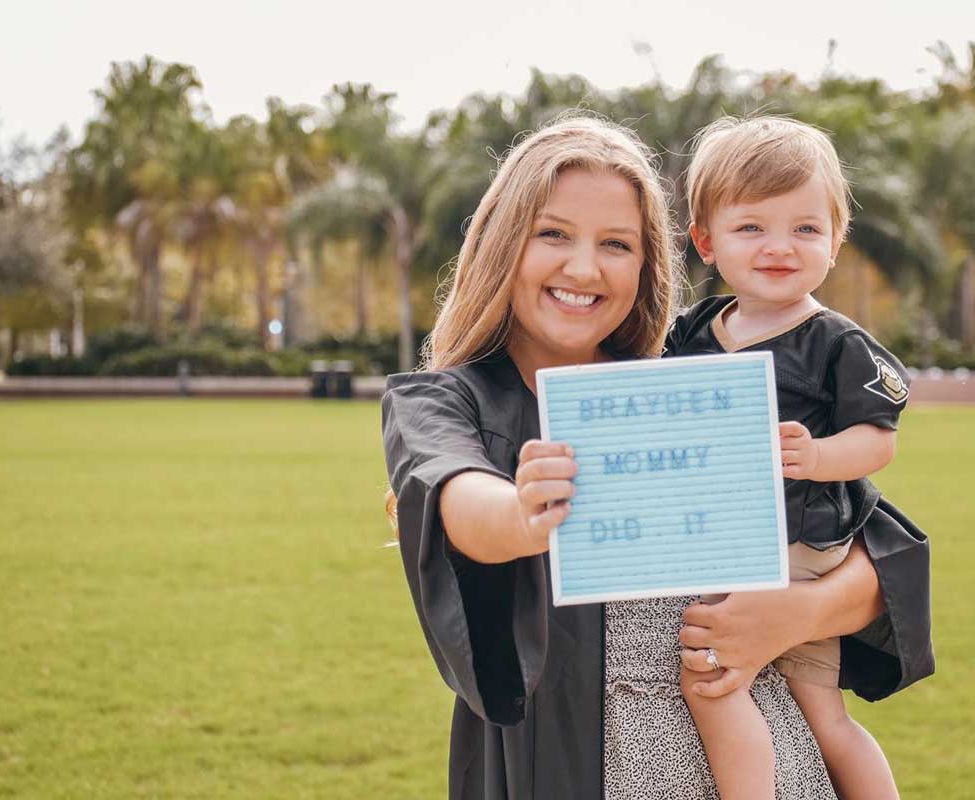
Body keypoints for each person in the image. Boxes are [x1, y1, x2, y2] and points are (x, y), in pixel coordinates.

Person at [381, 114, 933, 800]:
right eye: (552, 234)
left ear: (647, 265)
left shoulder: (686, 388)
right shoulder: (444, 403)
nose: (583, 268)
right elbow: (459, 498)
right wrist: (524, 513)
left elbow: (882, 554)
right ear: (501, 243)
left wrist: (797, 615)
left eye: (617, 244)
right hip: (569, 766)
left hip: (760, 766)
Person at [669, 115, 928, 799]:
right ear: (706, 241)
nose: (780, 247)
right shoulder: (693, 332)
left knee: (713, 676)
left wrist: (817, 456)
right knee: (822, 714)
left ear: (836, 240)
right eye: (752, 227)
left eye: (806, 229)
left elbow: (879, 440)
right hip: (732, 531)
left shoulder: (834, 342)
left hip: (795, 540)